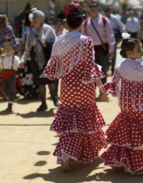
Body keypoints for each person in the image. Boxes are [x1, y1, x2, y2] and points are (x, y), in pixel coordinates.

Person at [42, 1, 107, 171]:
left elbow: (54, 67)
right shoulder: (86, 41)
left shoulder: (59, 41)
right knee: (84, 122)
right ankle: (83, 153)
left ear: (66, 24)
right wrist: (101, 88)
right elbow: (91, 66)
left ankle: (66, 155)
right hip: (84, 87)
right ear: (81, 23)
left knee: (69, 123)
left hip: (67, 87)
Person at [100, 33, 143, 174]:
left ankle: (123, 159)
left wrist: (104, 91)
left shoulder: (120, 66)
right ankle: (136, 163)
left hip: (125, 105)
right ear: (129, 52)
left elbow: (114, 83)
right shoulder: (141, 66)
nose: (141, 51)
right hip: (138, 106)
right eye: (138, 49)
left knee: (125, 130)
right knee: (137, 132)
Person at [21, 9, 58, 112]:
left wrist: (47, 45)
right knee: (40, 83)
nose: (35, 19)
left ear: (42, 19)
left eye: (37, 17)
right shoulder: (30, 33)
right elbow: (27, 49)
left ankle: (54, 97)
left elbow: (56, 44)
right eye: (33, 17)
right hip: (36, 61)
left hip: (47, 59)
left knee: (50, 81)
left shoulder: (48, 29)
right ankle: (43, 103)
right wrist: (22, 60)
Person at [81, 0, 115, 84]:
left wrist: (111, 50)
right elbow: (82, 37)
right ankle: (93, 92)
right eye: (90, 7)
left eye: (94, 6)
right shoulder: (86, 22)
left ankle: (103, 92)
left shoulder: (104, 20)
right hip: (90, 50)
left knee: (103, 70)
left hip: (102, 49)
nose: (92, 8)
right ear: (88, 9)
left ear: (98, 8)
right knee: (91, 71)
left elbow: (110, 35)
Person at [0, 14, 16, 83]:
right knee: (7, 64)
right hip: (7, 48)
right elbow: (13, 39)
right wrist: (13, 48)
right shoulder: (8, 28)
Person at [0, 42, 20, 112]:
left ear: (13, 51)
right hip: (4, 74)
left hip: (12, 74)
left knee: (11, 90)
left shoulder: (15, 58)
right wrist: (0, 58)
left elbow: (18, 63)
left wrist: (20, 64)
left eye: (10, 49)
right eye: (7, 49)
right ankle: (11, 98)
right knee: (3, 89)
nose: (8, 50)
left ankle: (10, 106)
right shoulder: (3, 57)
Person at [104, 6, 125, 76]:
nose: (107, 12)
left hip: (114, 38)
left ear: (110, 11)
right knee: (105, 53)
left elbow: (122, 27)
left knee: (113, 53)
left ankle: (112, 68)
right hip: (105, 39)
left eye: (108, 10)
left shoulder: (115, 18)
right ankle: (106, 66)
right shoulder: (102, 19)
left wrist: (123, 36)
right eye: (105, 11)